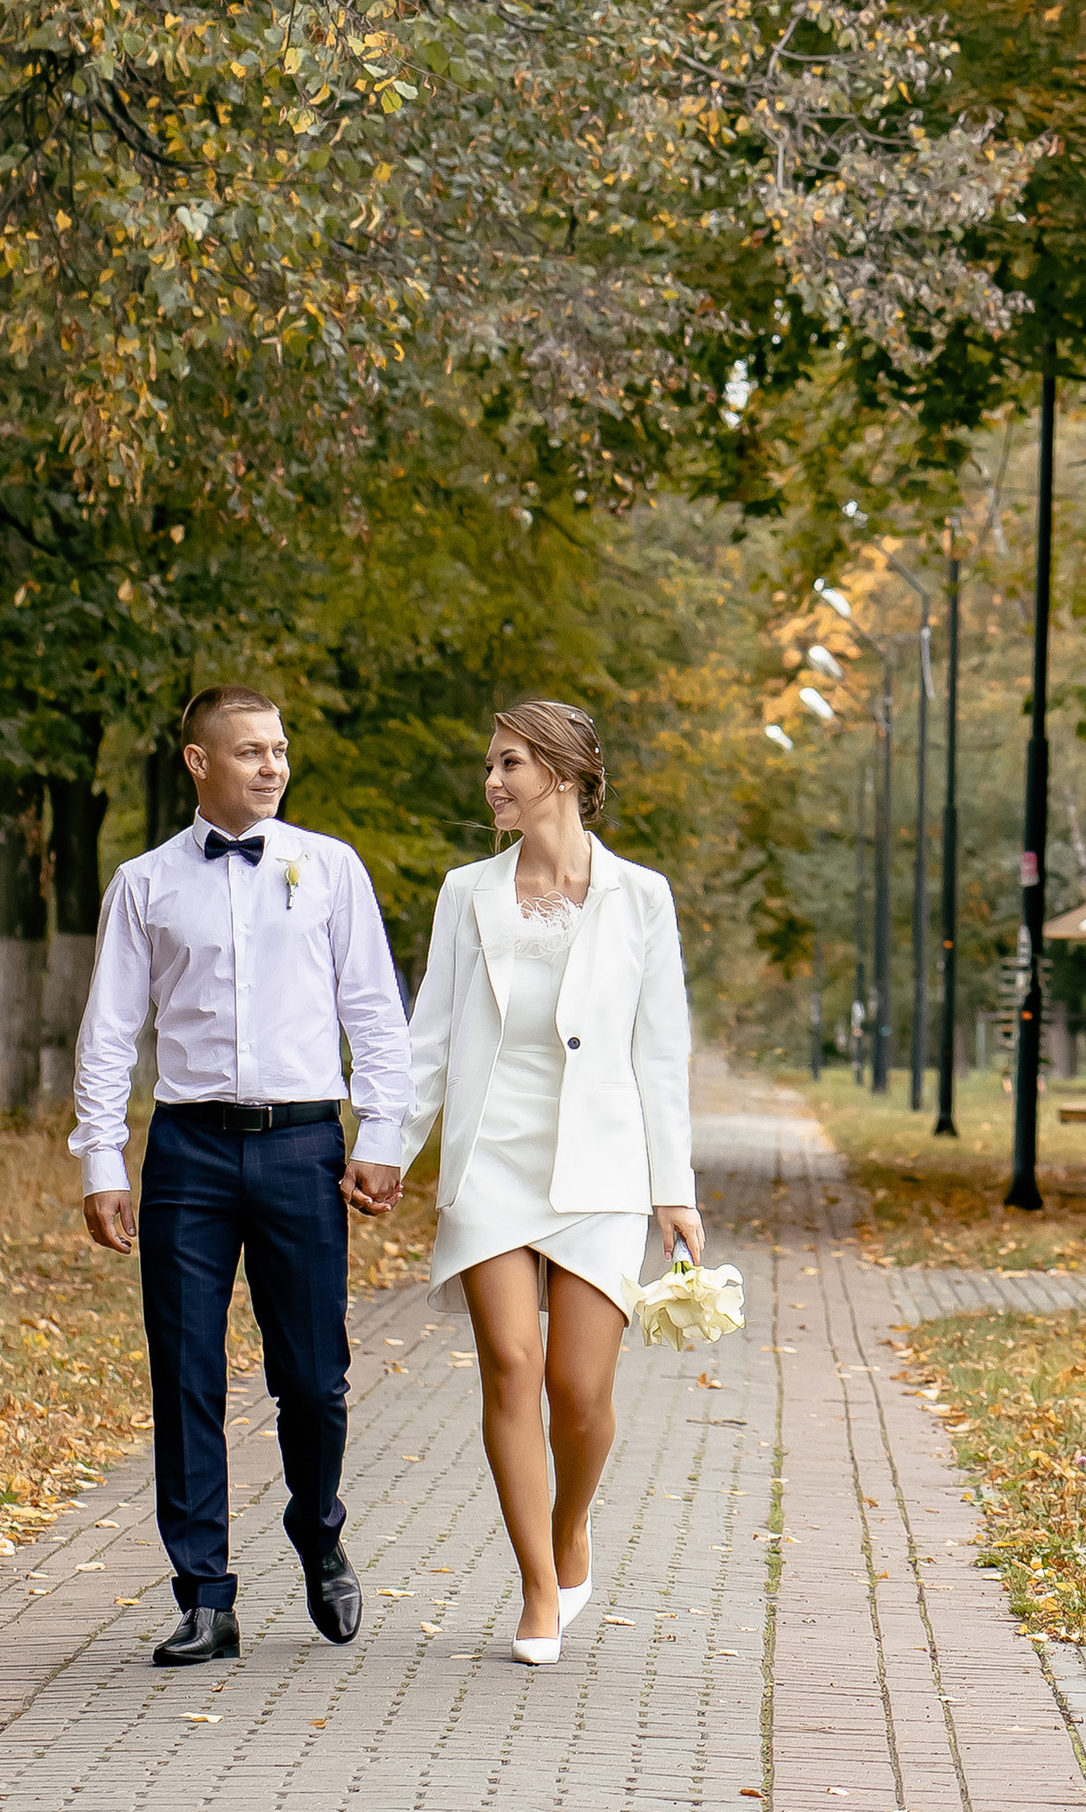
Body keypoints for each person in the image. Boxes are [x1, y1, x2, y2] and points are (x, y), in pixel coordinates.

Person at [72, 686, 411, 1669]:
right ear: (197, 762)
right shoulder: (144, 885)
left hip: (304, 1143)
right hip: (188, 1150)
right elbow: (109, 1035)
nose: (271, 765)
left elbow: (374, 1015)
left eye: (279, 750)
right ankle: (205, 1597)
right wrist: (104, 1158)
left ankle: (318, 1527)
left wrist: (380, 1135)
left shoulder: (330, 869)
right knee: (185, 1376)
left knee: (313, 1381)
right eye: (251, 751)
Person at [399, 699, 703, 1663]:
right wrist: (384, 1148)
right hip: (492, 1154)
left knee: (578, 1386)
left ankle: (572, 1528)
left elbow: (662, 1052)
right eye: (491, 765)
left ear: (564, 774)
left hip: (602, 1162)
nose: (492, 782)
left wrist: (675, 1187)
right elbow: (430, 1035)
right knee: (510, 1365)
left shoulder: (640, 897)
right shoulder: (464, 893)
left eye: (511, 764)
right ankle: (537, 1585)